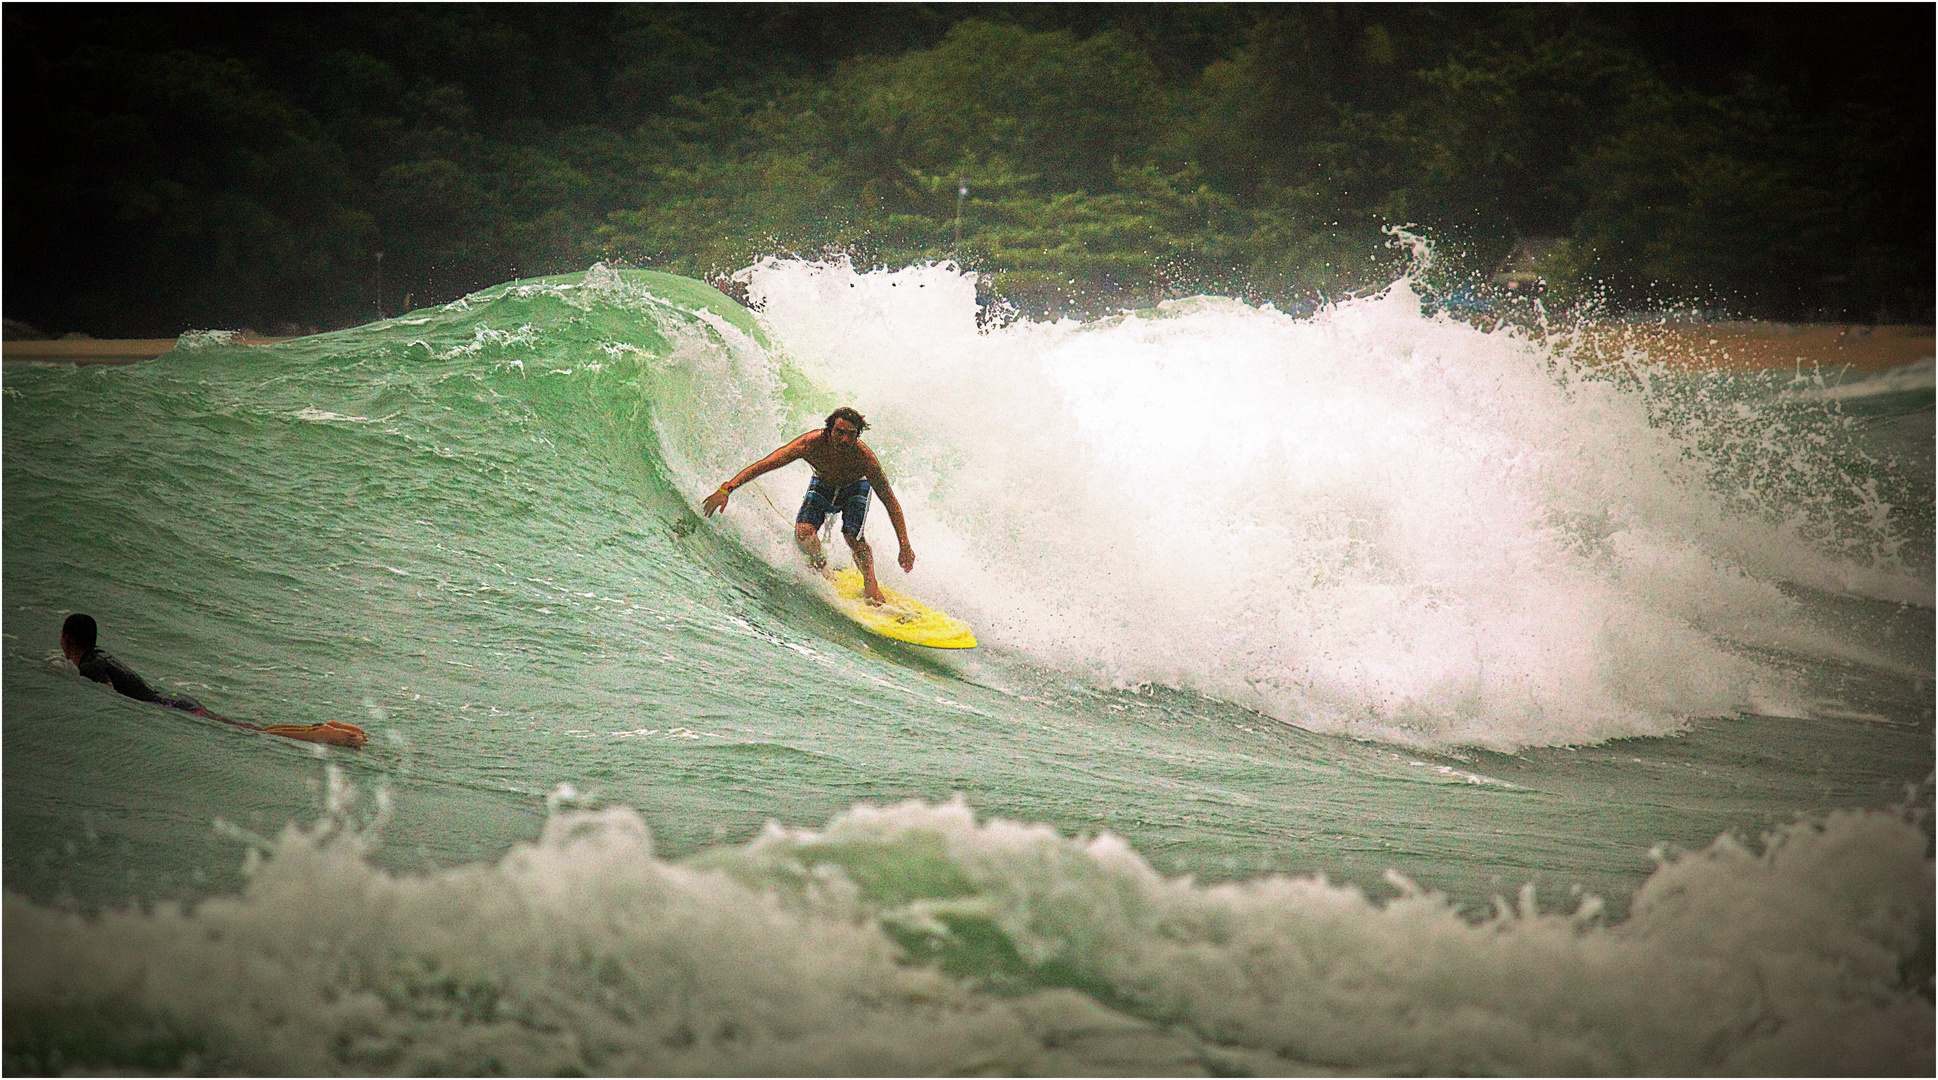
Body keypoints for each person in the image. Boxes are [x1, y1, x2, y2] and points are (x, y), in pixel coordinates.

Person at [701, 407, 914, 604]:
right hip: (823, 484)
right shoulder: (809, 444)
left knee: (852, 535)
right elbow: (766, 464)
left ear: (858, 435)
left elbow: (890, 502)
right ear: (828, 430)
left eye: (851, 434)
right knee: (803, 532)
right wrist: (727, 489)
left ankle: (871, 583)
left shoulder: (865, 459)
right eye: (839, 432)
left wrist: (904, 544)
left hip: (854, 488)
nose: (844, 439)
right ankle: (823, 569)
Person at [60, 613, 367, 748]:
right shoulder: (101, 656)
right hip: (176, 702)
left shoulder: (90, 664)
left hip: (176, 708)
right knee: (252, 730)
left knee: (257, 733)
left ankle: (323, 732)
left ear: (66, 639)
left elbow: (108, 695)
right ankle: (321, 729)